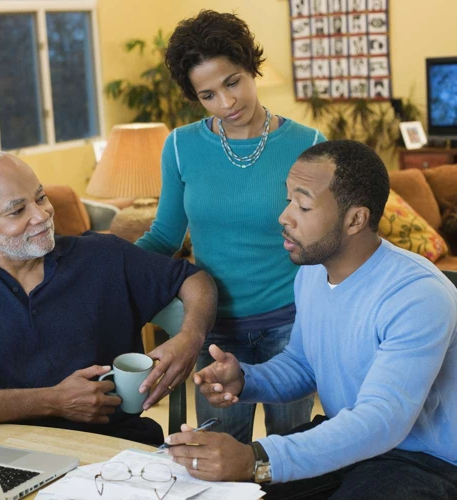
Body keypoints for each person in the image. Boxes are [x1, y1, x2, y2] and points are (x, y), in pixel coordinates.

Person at [164, 140, 457, 499]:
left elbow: (383, 419)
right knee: (227, 490)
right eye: (289, 200)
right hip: (346, 436)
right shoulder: (313, 274)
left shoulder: (417, 295)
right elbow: (303, 363)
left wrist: (255, 458)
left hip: (424, 459)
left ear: (355, 219)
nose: (284, 217)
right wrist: (246, 379)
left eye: (303, 205)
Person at [0, 151, 218, 446]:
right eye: (17, 210)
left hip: (115, 453)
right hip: (3, 455)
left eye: (41, 197)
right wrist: (53, 401)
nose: (41, 215)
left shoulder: (102, 256)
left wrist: (190, 337)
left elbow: (196, 280)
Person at [135, 10, 324, 444]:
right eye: (208, 95)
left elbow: (323, 241)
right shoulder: (181, 146)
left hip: (293, 327)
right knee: (220, 453)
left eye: (233, 82)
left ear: (251, 66)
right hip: (213, 328)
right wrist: (110, 267)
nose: (227, 103)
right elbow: (165, 236)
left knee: (292, 458)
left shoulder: (309, 145)